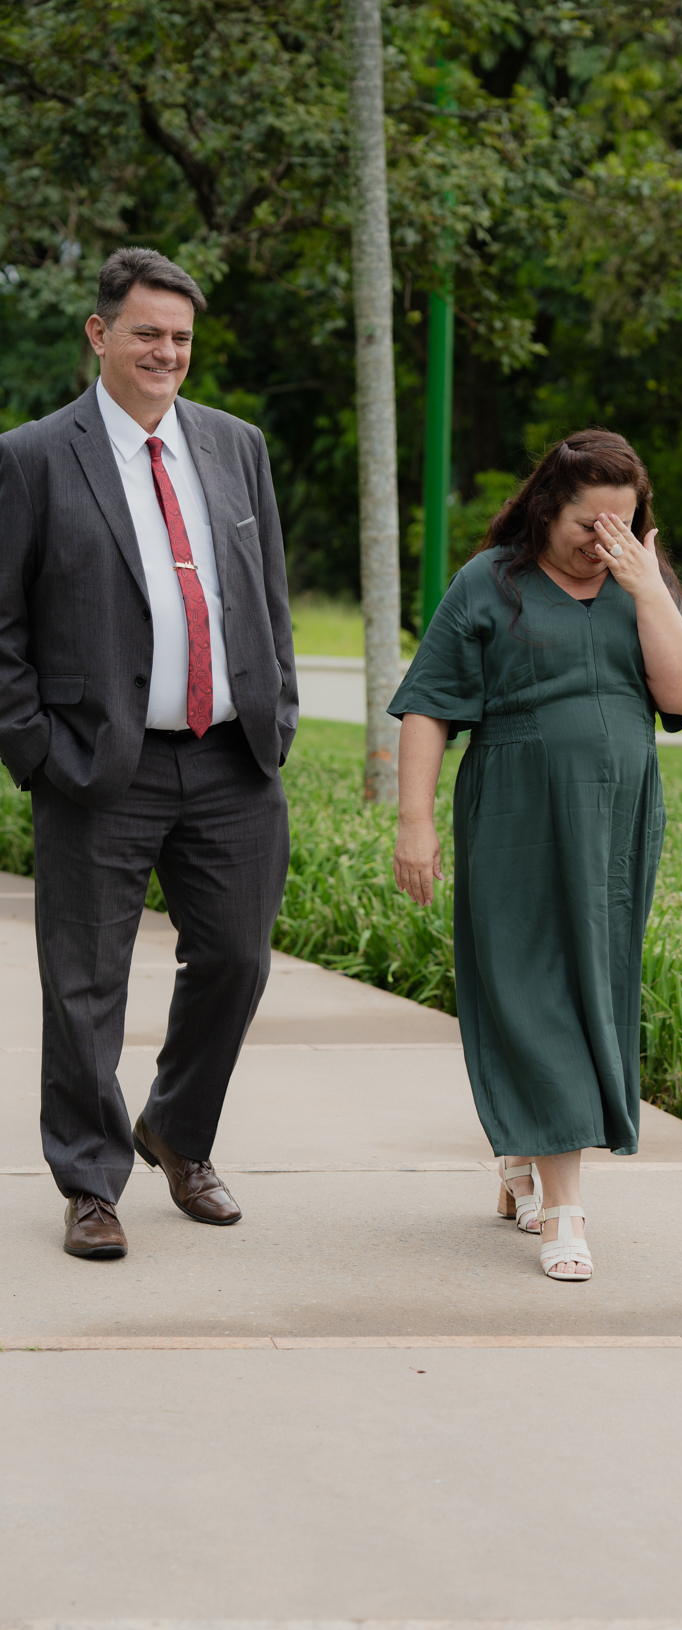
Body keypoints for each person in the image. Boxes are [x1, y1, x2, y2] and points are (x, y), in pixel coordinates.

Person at [0, 247, 297, 1260]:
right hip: (95, 767)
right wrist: (38, 748)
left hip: (233, 760)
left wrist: (278, 712)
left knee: (237, 960)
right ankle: (91, 1183)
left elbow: (267, 595)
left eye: (181, 337)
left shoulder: (237, 445)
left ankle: (176, 1129)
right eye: (147, 334)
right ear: (99, 334)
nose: (167, 352)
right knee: (84, 983)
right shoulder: (34, 457)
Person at [390, 430, 682, 1280]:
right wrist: (415, 823)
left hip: (615, 821)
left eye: (623, 524)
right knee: (529, 987)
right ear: (546, 509)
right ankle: (565, 1211)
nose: (604, 541)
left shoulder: (640, 585)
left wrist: (648, 588)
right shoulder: (488, 581)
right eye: (588, 524)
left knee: (589, 987)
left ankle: (522, 1157)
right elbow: (429, 707)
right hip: (516, 813)